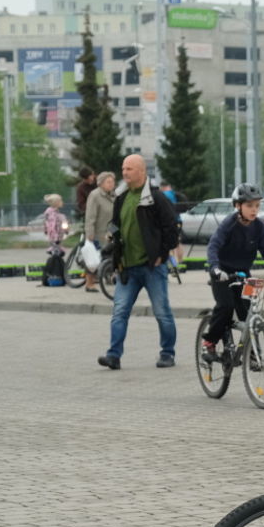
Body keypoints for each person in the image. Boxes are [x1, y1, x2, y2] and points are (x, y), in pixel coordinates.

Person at [97, 154, 179, 370]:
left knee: (162, 312)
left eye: (129, 169)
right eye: (123, 169)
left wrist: (162, 253)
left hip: (152, 266)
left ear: (142, 172)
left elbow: (172, 228)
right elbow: (115, 224)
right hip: (127, 267)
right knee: (119, 311)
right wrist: (112, 236)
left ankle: (167, 353)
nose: (124, 173)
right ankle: (113, 355)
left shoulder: (156, 198)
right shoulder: (121, 197)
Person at [200, 183, 264, 360]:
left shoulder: (259, 228)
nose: (254, 210)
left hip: (242, 274)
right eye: (249, 206)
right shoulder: (229, 224)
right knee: (226, 306)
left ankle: (252, 354)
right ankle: (209, 342)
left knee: (249, 312)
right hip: (222, 273)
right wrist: (215, 268)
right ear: (237, 206)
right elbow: (214, 246)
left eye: (257, 205)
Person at [82, 171, 116, 293]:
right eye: (109, 182)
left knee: (111, 255)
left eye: (113, 181)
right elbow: (90, 215)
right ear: (101, 183)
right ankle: (89, 283)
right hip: (97, 232)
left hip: (110, 232)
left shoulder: (113, 196)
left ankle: (109, 277)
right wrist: (89, 233)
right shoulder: (95, 195)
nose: (111, 184)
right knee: (93, 258)